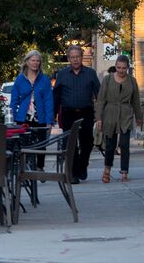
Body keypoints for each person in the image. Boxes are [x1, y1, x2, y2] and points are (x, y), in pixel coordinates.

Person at [53, 44, 100, 184]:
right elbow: (56, 96)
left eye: (77, 57)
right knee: (71, 144)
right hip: (68, 114)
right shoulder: (61, 74)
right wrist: (53, 115)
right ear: (68, 58)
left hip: (86, 113)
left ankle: (82, 166)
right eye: (72, 57)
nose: (75, 60)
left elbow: (99, 94)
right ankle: (73, 173)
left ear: (81, 57)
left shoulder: (90, 73)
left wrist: (100, 115)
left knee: (88, 143)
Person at [95, 55, 141, 183]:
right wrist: (98, 118)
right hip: (110, 113)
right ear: (115, 66)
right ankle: (107, 169)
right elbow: (100, 100)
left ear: (127, 68)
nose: (121, 70)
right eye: (118, 67)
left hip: (125, 113)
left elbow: (136, 100)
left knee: (125, 144)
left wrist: (138, 117)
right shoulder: (107, 80)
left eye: (124, 68)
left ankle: (124, 171)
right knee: (110, 145)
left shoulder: (132, 81)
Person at [10, 50, 53, 151]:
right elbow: (14, 101)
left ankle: (39, 167)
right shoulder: (20, 79)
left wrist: (49, 121)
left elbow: (49, 101)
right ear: (27, 62)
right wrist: (13, 118)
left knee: (41, 146)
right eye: (33, 60)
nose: (35, 63)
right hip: (23, 119)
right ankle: (25, 166)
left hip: (40, 119)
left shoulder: (45, 80)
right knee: (24, 146)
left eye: (38, 61)